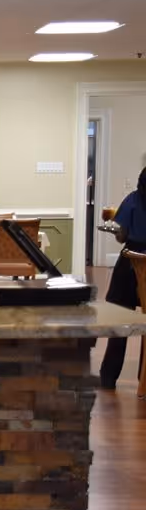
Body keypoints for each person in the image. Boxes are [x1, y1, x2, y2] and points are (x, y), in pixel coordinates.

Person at [99, 166, 146, 389]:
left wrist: (118, 232)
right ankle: (143, 377)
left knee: (120, 322)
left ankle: (109, 377)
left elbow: (122, 235)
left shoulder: (133, 200)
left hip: (130, 266)